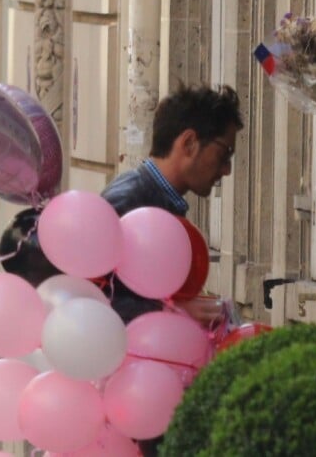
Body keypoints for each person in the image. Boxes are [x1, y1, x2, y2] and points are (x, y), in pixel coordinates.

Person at [100, 81, 243, 457]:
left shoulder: (156, 201)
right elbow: (93, 303)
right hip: (124, 408)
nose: (226, 170)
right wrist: (173, 311)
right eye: (224, 153)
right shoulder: (129, 202)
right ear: (189, 142)